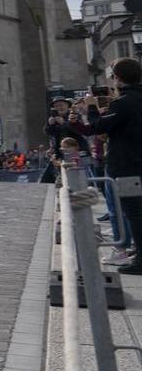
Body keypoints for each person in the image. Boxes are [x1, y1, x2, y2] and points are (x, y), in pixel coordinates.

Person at [83, 58, 142, 275]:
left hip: (127, 167)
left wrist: (91, 108)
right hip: (136, 163)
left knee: (134, 213)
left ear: (117, 77)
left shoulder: (124, 102)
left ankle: (141, 260)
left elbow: (97, 127)